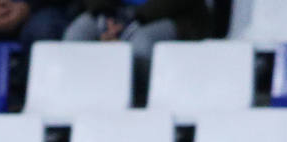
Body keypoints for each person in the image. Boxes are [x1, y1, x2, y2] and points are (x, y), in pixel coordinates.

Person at [61, 0, 211, 101]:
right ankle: (73, 101)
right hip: (115, 12)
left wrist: (135, 18)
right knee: (77, 34)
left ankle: (141, 102)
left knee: (141, 41)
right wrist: (104, 13)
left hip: (173, 15)